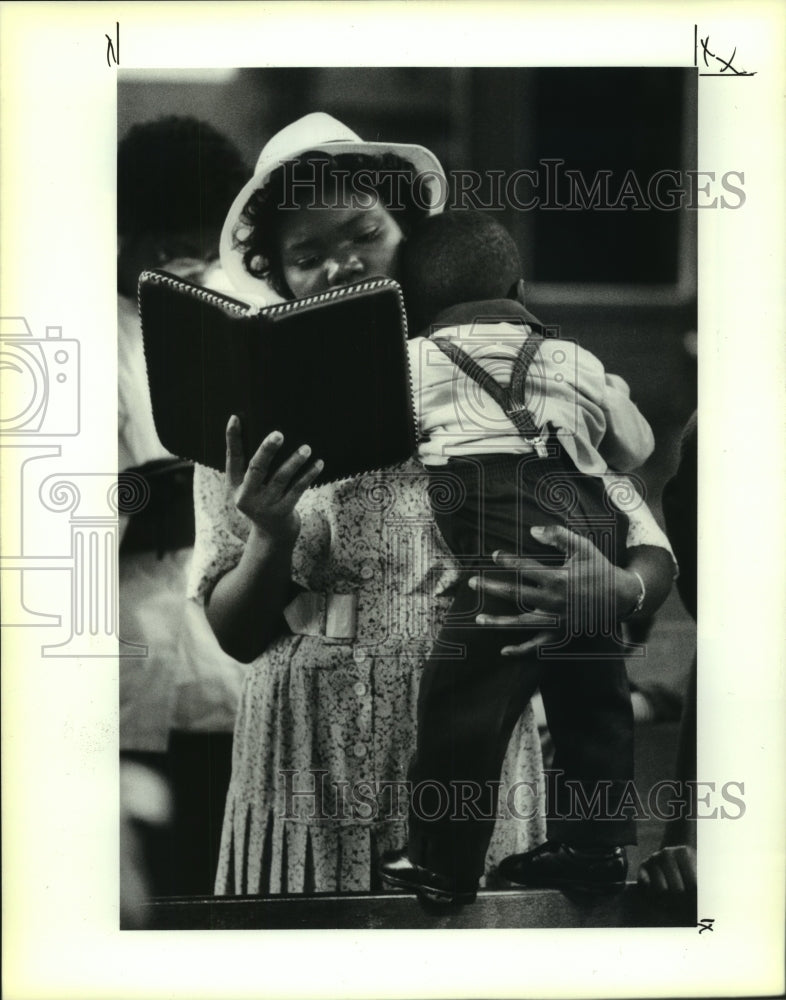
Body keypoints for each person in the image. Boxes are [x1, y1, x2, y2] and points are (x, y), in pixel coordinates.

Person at [189, 112, 676, 896]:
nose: (339, 267)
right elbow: (235, 634)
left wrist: (619, 589)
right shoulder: (251, 414)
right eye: (305, 256)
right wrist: (270, 535)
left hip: (472, 739)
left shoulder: (525, 372)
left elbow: (636, 528)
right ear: (277, 278)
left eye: (362, 234)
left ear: (411, 239)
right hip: (308, 747)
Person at [378, 210, 675, 903]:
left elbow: (391, 437)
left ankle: (442, 861)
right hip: (591, 540)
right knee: (593, 699)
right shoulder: (574, 358)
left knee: (463, 707)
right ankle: (593, 847)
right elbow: (632, 449)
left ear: (418, 306)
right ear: (518, 284)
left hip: (505, 548)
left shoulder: (412, 360)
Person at [118, 115, 250, 895]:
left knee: (221, 885)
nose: (193, 270)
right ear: (125, 232)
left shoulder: (227, 312)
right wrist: (157, 490)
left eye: (208, 251)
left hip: (225, 664)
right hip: (131, 653)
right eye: (172, 252)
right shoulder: (74, 334)